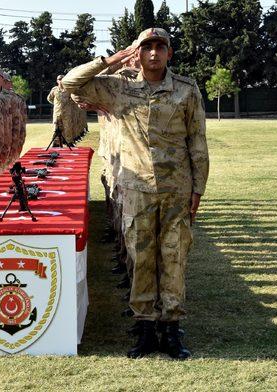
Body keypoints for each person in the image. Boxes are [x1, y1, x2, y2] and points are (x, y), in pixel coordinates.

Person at [61, 27, 209, 360]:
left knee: (174, 258)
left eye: (160, 47)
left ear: (169, 53)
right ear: (137, 52)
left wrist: (198, 187)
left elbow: (197, 141)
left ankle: (171, 328)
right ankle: (144, 327)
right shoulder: (119, 88)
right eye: (147, 47)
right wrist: (111, 59)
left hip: (177, 190)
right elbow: (70, 84)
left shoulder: (186, 90)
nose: (154, 53)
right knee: (142, 257)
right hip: (137, 190)